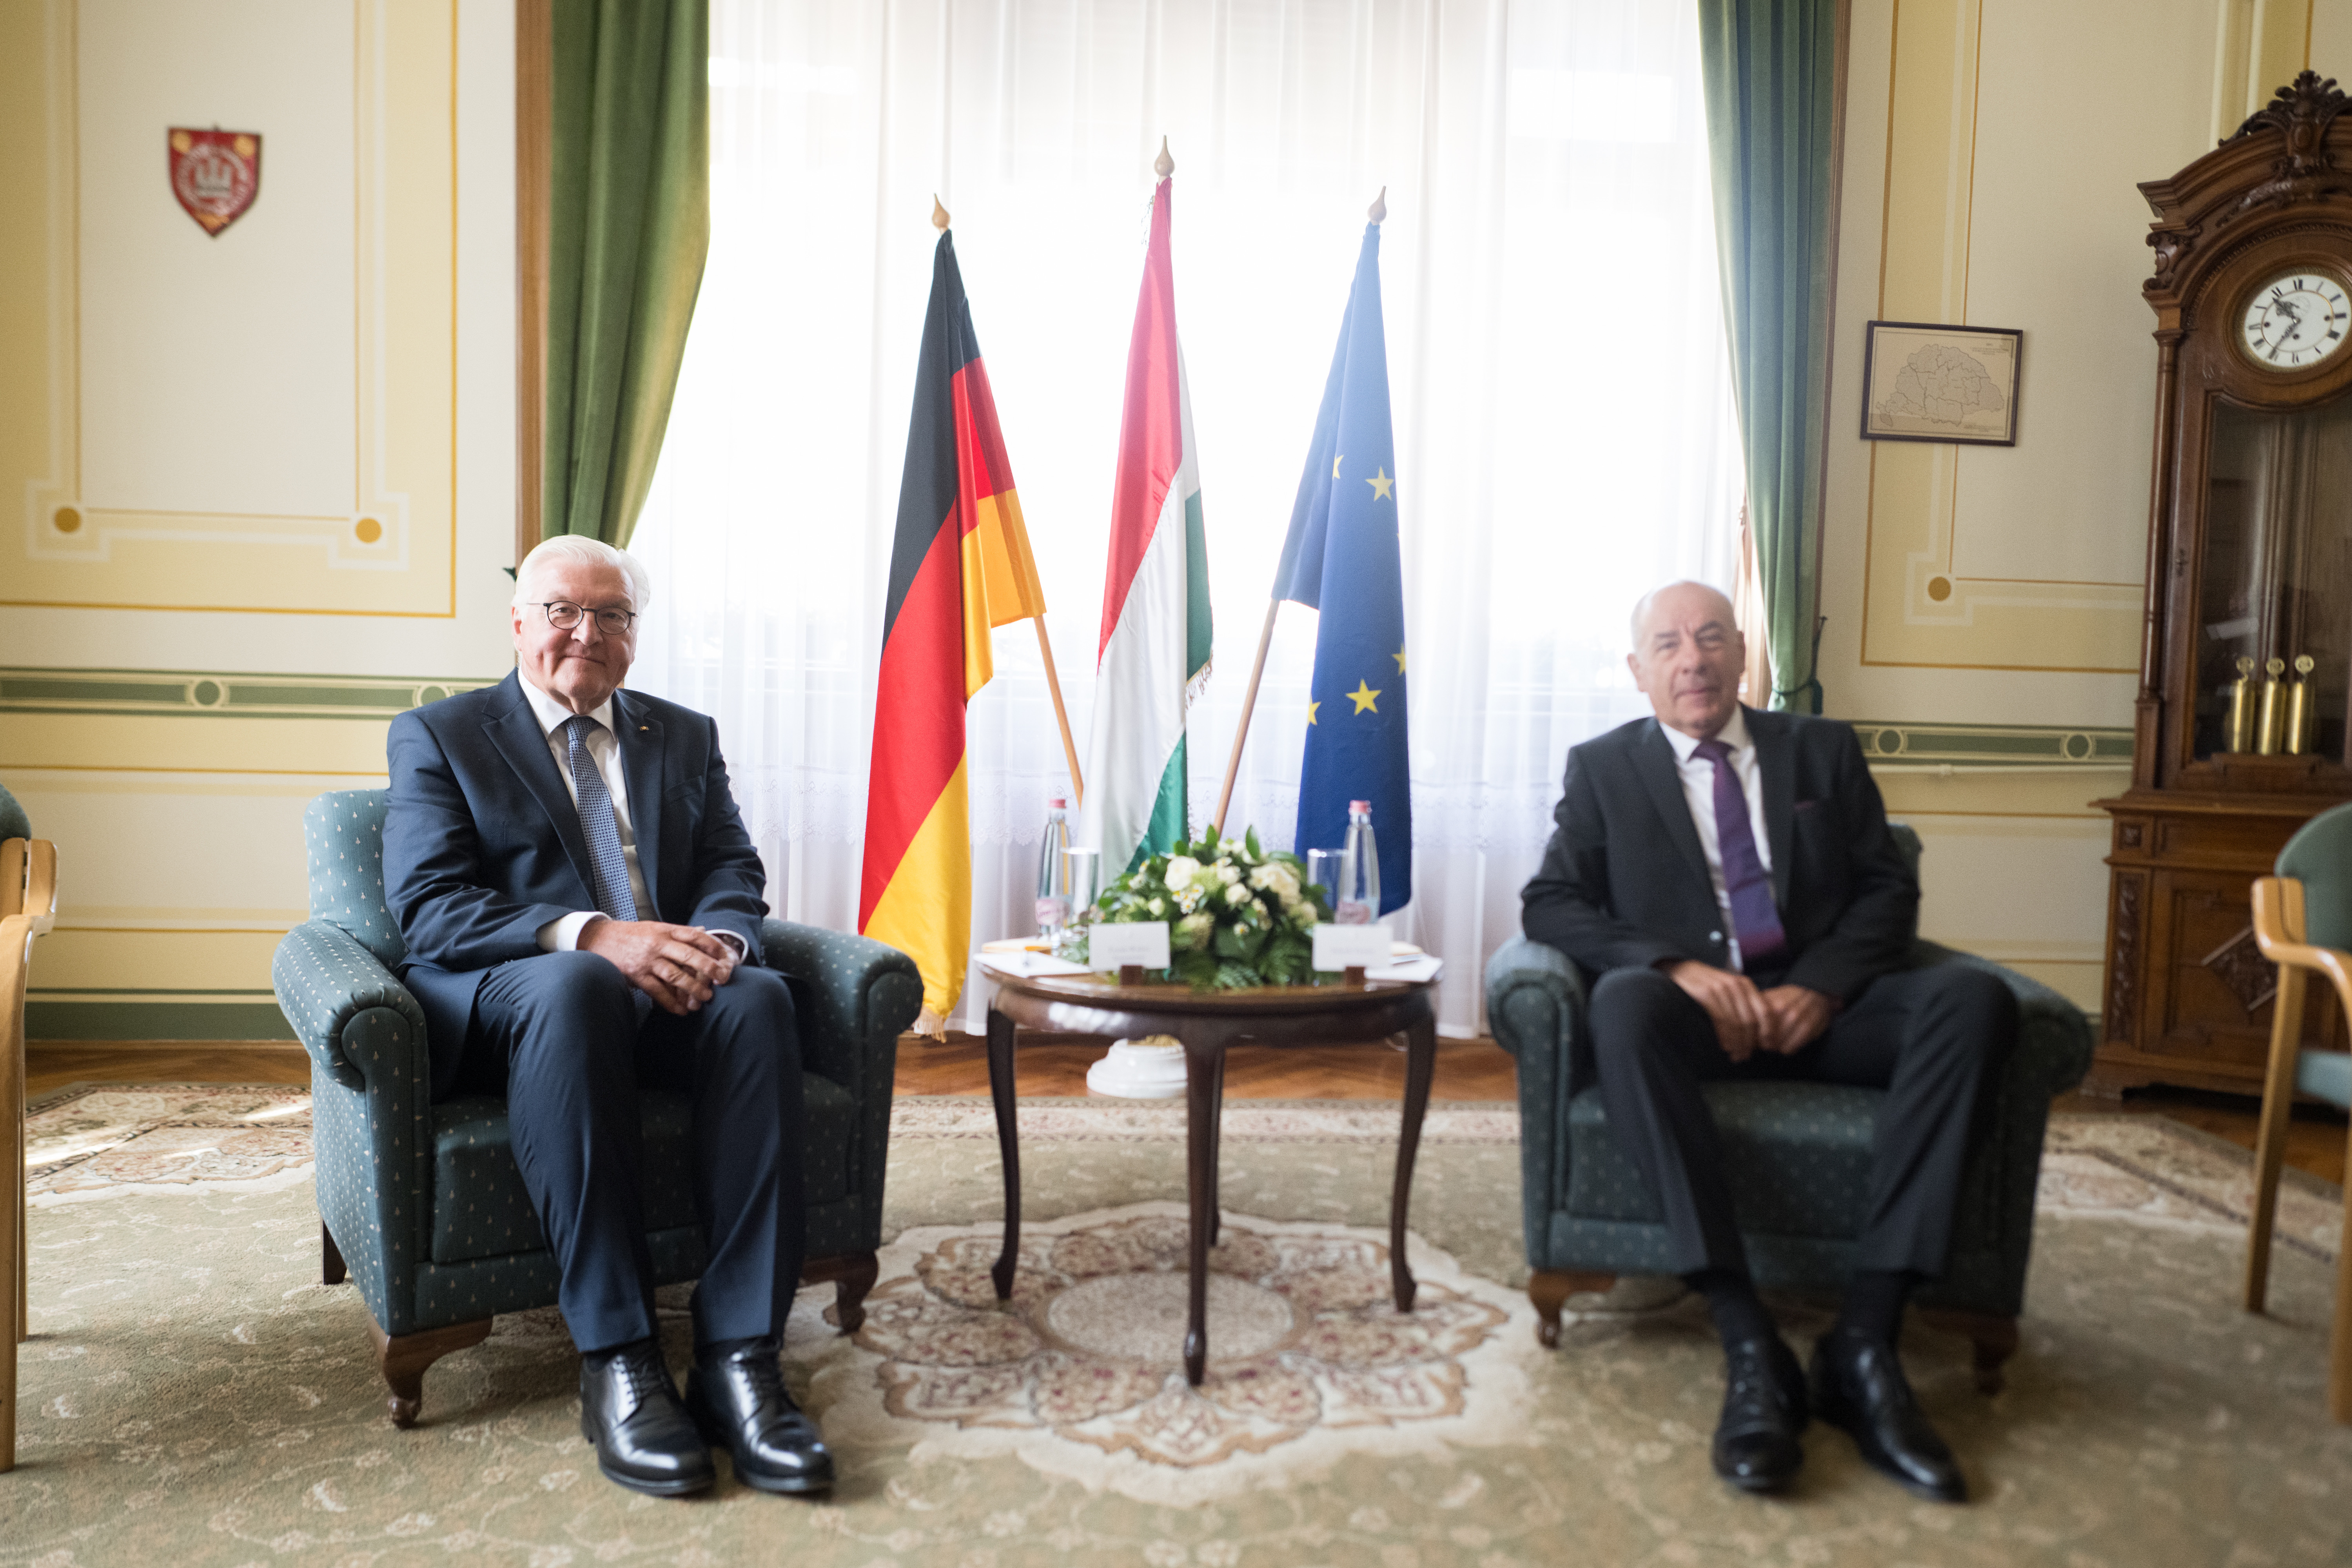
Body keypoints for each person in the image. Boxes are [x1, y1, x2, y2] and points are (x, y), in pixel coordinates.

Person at [1520, 581, 2016, 1503]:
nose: (1692, 658)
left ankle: (1864, 1340)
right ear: (1639, 672)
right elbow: (1551, 901)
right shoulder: (1603, 770)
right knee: (1623, 1006)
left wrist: (1821, 987)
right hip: (1693, 1024)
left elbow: (1885, 891)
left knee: (1976, 1001)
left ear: (1743, 654)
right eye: (1668, 644)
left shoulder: (1821, 749)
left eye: (1711, 637)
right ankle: (1747, 1336)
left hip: (1822, 1015)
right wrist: (1672, 965)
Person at [383, 534, 830, 1500]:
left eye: (613, 614)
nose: (586, 631)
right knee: (580, 983)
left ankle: (739, 1357)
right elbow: (430, 909)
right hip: (523, 988)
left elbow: (730, 869)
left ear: (636, 632)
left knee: (757, 995)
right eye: (562, 611)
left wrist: (718, 945)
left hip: (666, 985)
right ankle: (619, 1355)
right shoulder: (442, 735)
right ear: (518, 624)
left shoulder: (684, 734)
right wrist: (595, 935)